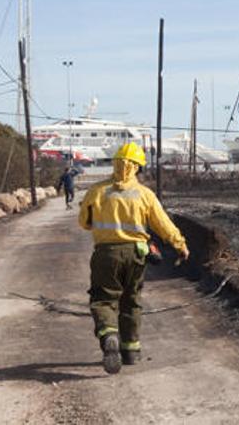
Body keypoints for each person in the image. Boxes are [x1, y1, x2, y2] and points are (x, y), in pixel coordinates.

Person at [78, 142, 189, 374]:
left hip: (106, 253)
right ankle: (131, 352)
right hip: (137, 253)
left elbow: (83, 222)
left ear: (115, 163)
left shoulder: (96, 191)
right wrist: (180, 244)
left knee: (103, 299)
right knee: (132, 300)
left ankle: (109, 335)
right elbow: (163, 224)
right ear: (137, 167)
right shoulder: (144, 194)